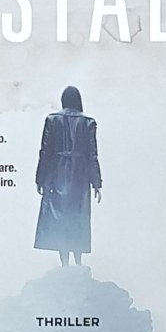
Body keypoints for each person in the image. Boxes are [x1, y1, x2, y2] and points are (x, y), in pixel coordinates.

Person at [33, 86, 102, 266]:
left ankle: (64, 265)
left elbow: (45, 152)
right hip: (80, 176)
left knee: (60, 220)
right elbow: (92, 155)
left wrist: (40, 179)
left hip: (57, 175)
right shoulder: (88, 123)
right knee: (78, 218)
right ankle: (78, 263)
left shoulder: (52, 120)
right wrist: (97, 182)